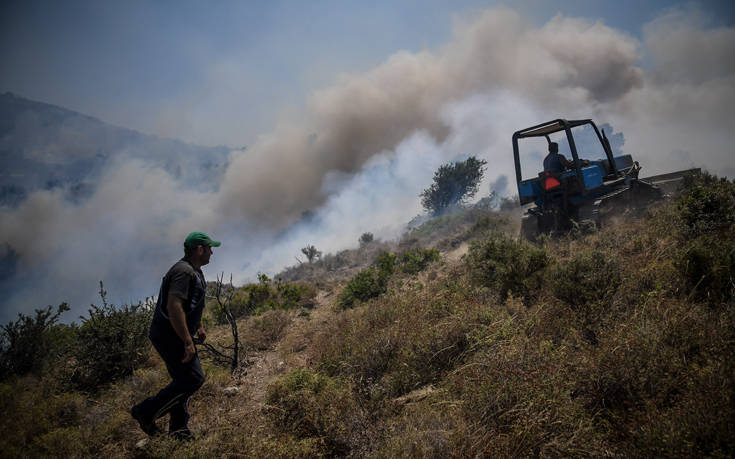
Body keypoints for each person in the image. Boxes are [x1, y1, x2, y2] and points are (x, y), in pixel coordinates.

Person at [131, 231, 221, 440]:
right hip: (169, 335)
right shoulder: (183, 272)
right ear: (200, 250)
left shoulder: (194, 271)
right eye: (209, 248)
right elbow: (174, 306)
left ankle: (179, 430)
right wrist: (187, 341)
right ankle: (146, 411)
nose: (212, 252)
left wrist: (198, 326)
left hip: (175, 334)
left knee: (182, 379)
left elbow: (189, 303)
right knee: (193, 378)